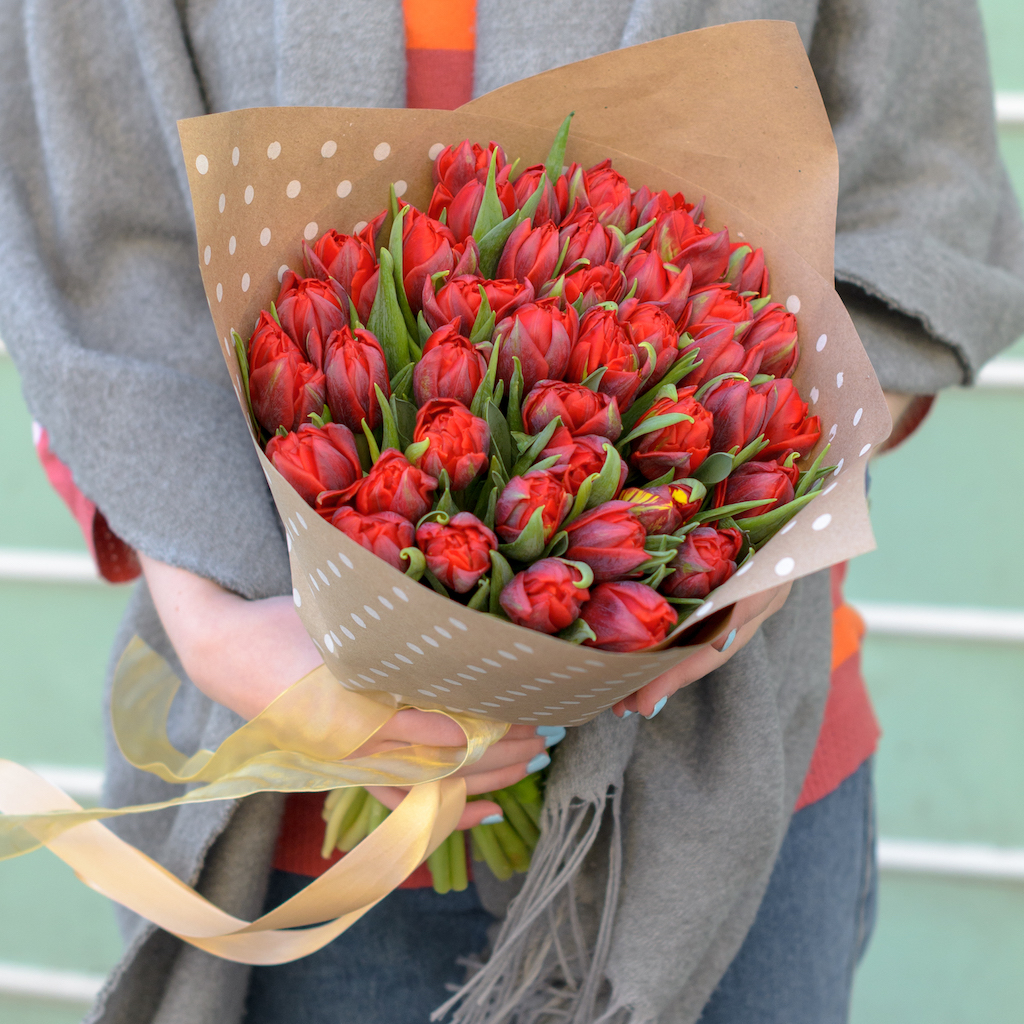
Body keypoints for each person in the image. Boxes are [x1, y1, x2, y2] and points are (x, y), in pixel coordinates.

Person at [1, 2, 1021, 1023]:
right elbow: (88, 289)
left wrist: (758, 522)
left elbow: (920, 212)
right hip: (294, 812)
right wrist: (213, 631)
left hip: (718, 791)